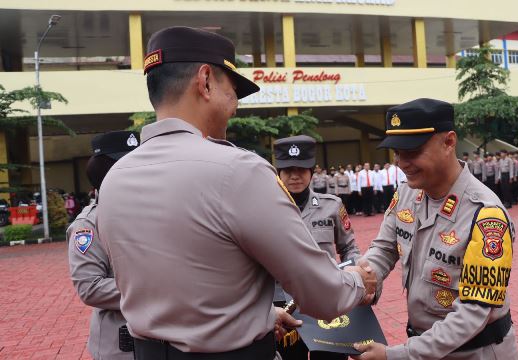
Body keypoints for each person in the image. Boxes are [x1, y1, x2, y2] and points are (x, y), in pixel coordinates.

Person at [96, 27, 376, 360]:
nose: (235, 105)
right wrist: (359, 280)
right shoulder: (237, 171)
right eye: (233, 90)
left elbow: (188, 290)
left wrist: (262, 315)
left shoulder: (115, 178)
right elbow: (321, 295)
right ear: (205, 81)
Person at [354, 98, 518, 359]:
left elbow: (473, 312)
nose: (401, 162)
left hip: (475, 352)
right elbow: (385, 248)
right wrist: (362, 279)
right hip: (425, 348)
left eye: (412, 151)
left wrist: (396, 356)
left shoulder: (486, 215)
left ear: (449, 142)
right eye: (396, 152)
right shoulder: (406, 193)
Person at [273, 135, 360, 360]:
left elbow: (349, 248)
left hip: (326, 305)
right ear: (278, 172)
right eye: (288, 169)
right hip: (284, 309)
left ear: (311, 171)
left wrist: (352, 274)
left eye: (301, 169)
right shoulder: (265, 210)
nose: (294, 175)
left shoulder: (332, 206)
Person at [67, 130, 140, 360]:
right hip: (121, 346)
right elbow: (90, 286)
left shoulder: (145, 210)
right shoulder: (89, 224)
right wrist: (153, 290)